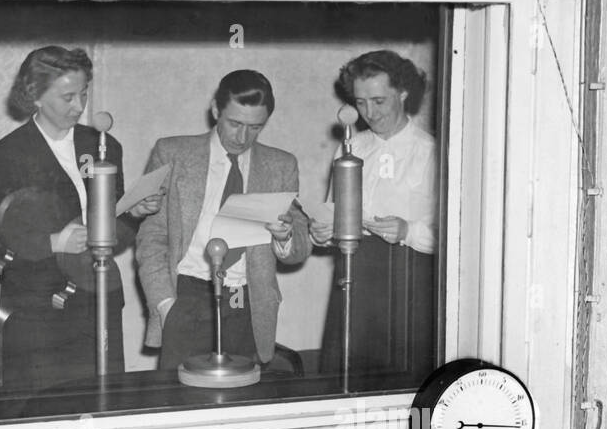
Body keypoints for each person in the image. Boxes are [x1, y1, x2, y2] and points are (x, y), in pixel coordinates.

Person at [0, 45, 160, 398]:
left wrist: (133, 213)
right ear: (35, 96)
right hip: (36, 314)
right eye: (67, 96)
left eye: (84, 93)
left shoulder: (104, 146)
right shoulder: (5, 157)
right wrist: (52, 243)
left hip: (99, 300)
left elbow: (113, 232)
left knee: (103, 403)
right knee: (39, 412)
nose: (79, 106)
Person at [136, 69, 310, 371]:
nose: (243, 137)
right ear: (216, 110)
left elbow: (298, 250)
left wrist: (284, 237)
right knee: (179, 405)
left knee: (241, 407)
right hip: (187, 295)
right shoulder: (172, 153)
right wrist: (166, 305)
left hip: (246, 304)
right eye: (235, 123)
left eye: (256, 127)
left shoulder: (281, 165)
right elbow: (152, 237)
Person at [309, 50, 437, 383]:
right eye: (361, 102)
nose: (369, 112)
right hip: (354, 272)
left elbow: (456, 237)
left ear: (404, 93)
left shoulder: (432, 151)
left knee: (401, 382)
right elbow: (333, 212)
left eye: (379, 101)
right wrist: (322, 232)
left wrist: (408, 230)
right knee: (347, 377)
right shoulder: (350, 148)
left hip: (408, 279)